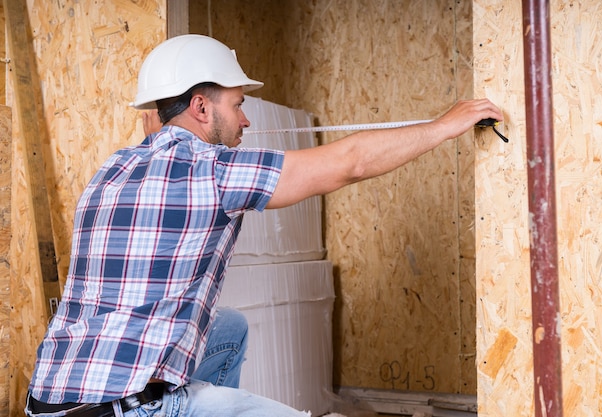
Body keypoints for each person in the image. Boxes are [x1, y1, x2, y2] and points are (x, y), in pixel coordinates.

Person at [25, 34, 503, 417]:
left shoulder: (110, 170)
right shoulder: (211, 171)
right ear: (201, 107)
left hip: (49, 401)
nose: (246, 119)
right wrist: (446, 125)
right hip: (130, 409)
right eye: (236, 104)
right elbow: (351, 163)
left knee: (228, 328)